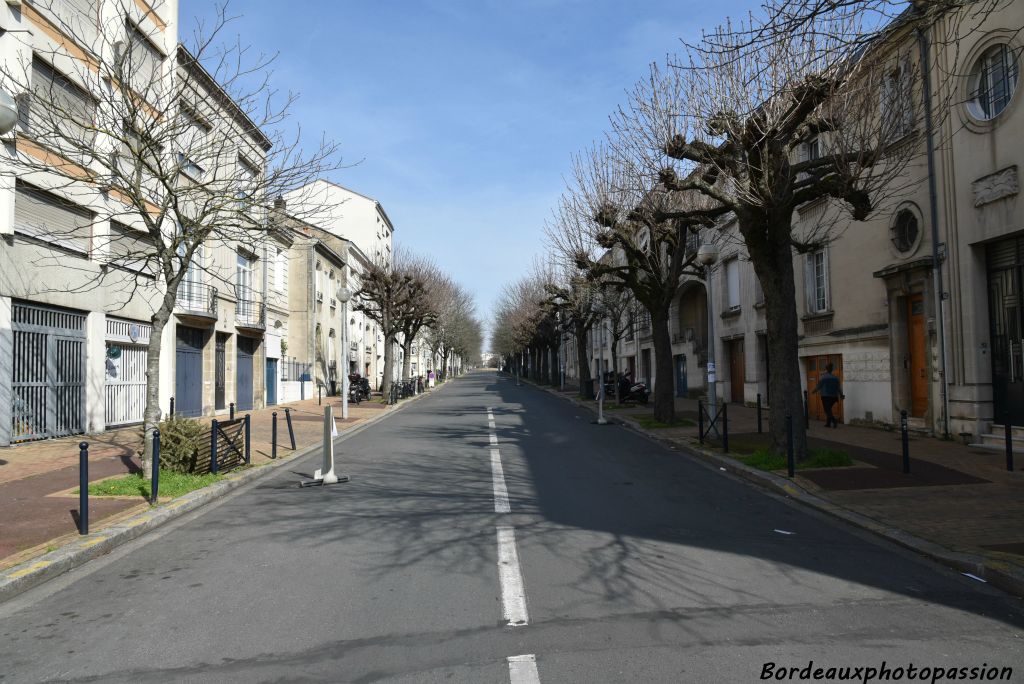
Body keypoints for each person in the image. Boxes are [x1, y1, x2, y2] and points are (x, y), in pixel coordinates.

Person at [812, 363, 844, 428]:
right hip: (834, 397)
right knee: (828, 409)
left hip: (825, 396)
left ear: (826, 369)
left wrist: (813, 391)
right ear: (831, 370)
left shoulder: (823, 377)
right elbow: (839, 388)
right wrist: (841, 395)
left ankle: (834, 421)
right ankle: (828, 423)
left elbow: (819, 386)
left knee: (827, 410)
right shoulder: (835, 378)